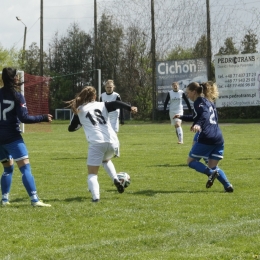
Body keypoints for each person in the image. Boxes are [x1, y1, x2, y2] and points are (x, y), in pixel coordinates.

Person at [66, 86, 137, 202]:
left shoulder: (80, 110)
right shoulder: (102, 104)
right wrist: (130, 108)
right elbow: (117, 103)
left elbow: (71, 128)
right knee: (106, 160)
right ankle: (115, 179)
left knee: (92, 174)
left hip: (97, 142)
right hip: (113, 141)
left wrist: (82, 123)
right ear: (95, 96)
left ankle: (95, 198)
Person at [0, 67, 53, 206]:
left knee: (7, 168)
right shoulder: (17, 96)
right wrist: (43, 117)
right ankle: (34, 199)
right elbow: (24, 118)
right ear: (14, 78)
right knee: (25, 168)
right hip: (12, 137)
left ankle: (5, 199)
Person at [174, 81, 233, 192]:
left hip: (207, 137)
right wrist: (182, 117)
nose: (187, 95)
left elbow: (204, 115)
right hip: (218, 138)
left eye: (188, 93)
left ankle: (211, 174)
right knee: (212, 166)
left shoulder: (198, 102)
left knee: (191, 161)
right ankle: (227, 185)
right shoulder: (208, 102)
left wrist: (198, 124)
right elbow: (198, 116)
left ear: (194, 92)